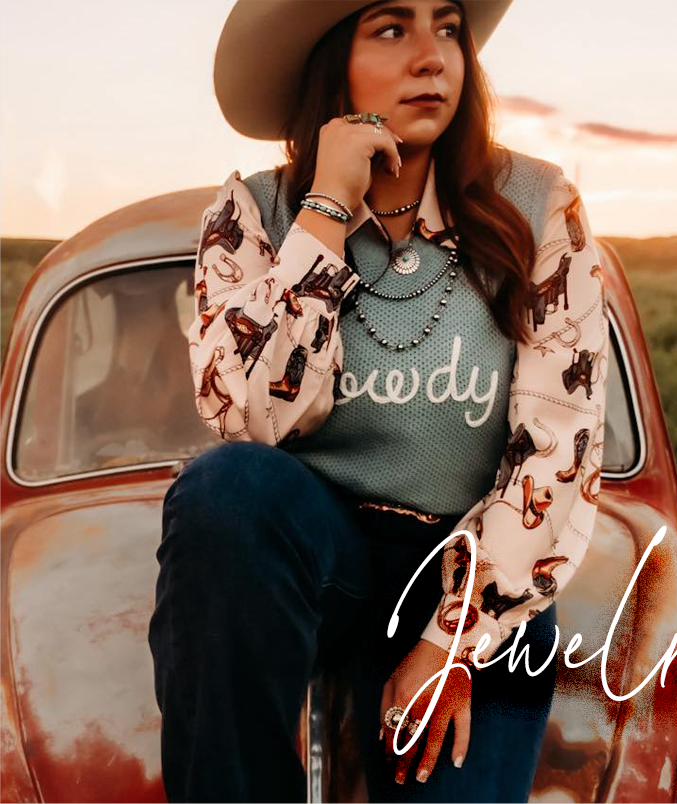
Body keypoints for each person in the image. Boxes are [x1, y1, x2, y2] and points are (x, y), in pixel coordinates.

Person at [147, 0, 610, 801]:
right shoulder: (255, 210)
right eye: (392, 29)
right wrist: (326, 210)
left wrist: (449, 644)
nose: (432, 58)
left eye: (449, 27)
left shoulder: (537, 205)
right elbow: (249, 417)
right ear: (334, 61)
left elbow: (558, 446)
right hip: (317, 560)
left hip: (471, 576)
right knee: (224, 487)